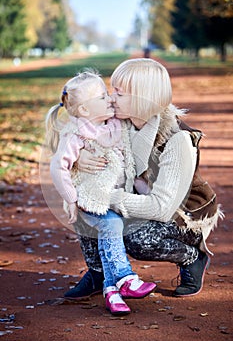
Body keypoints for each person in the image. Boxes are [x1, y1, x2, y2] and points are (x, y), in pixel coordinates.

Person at [64, 58, 223, 300]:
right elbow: (80, 134)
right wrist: (80, 157)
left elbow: (161, 208)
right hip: (136, 197)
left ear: (141, 97)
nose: (110, 98)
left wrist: (107, 198)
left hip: (181, 215)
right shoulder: (118, 122)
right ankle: (98, 271)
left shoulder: (178, 139)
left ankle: (192, 257)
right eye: (111, 90)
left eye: (118, 93)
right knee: (85, 203)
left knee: (134, 237)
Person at [45, 70, 156, 315]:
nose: (110, 99)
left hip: (114, 197)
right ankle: (126, 279)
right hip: (90, 200)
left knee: (112, 230)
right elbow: (57, 166)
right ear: (84, 111)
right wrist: (71, 199)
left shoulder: (115, 124)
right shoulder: (76, 135)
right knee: (112, 226)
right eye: (103, 96)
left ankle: (111, 291)